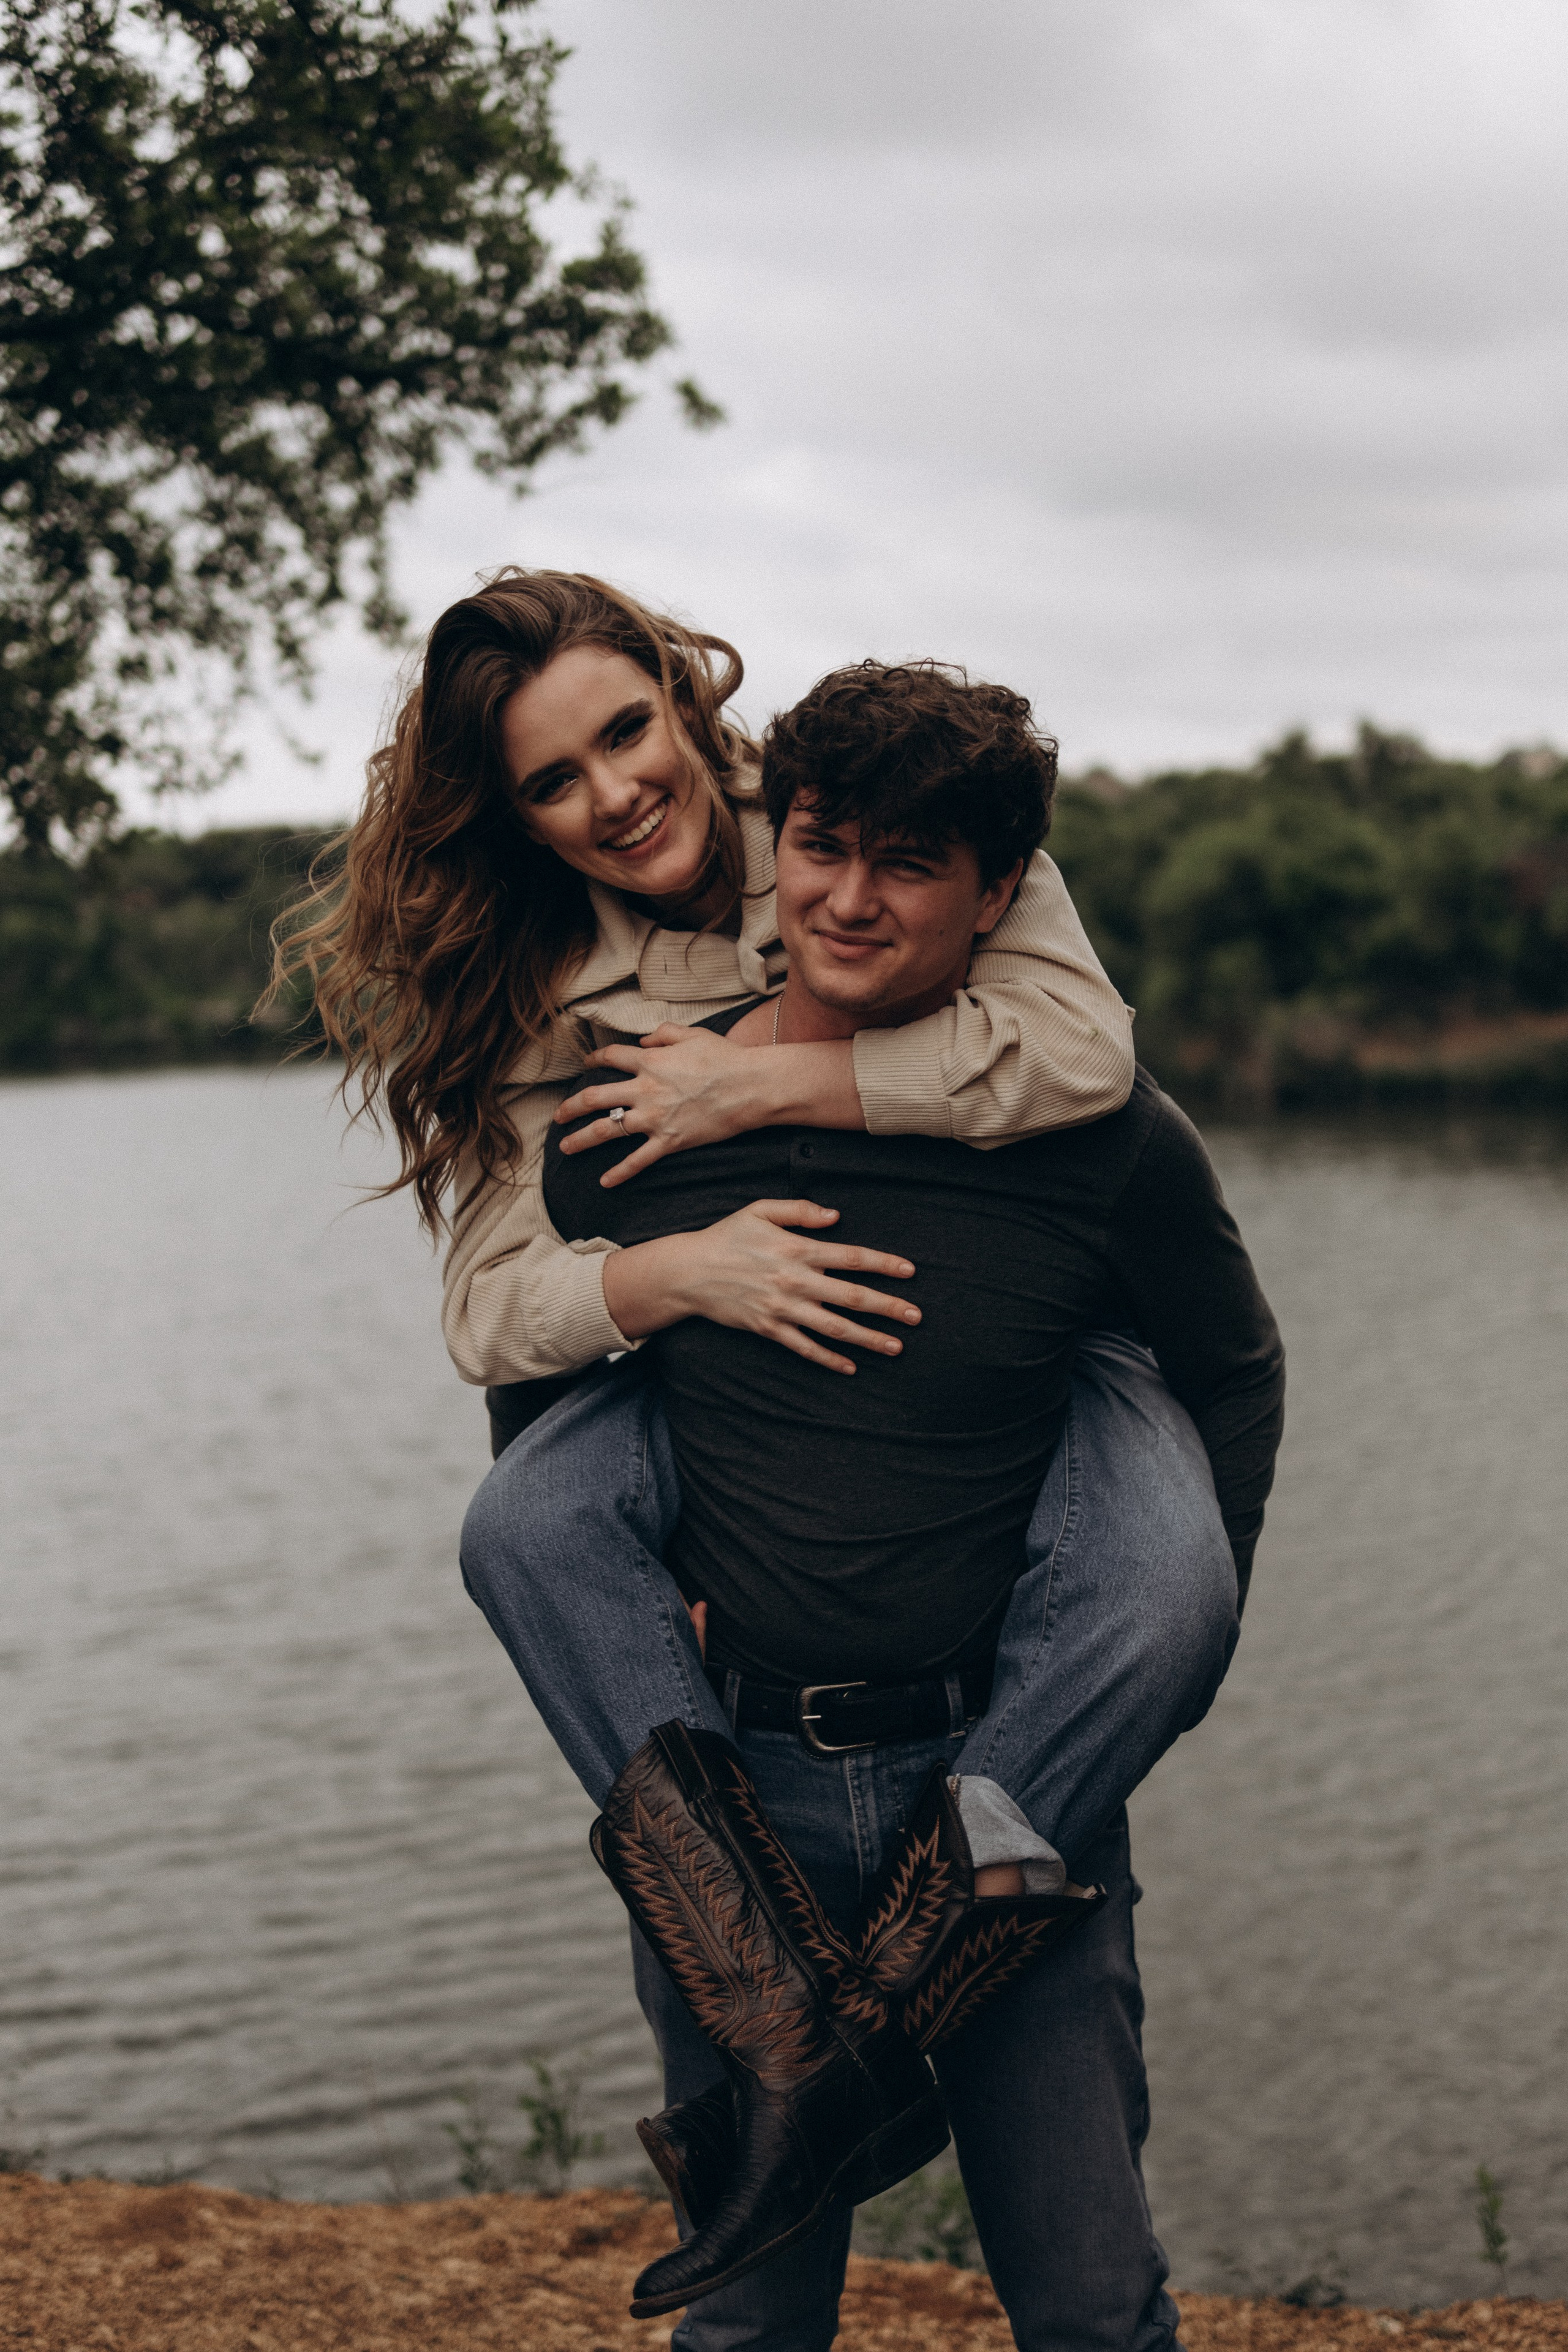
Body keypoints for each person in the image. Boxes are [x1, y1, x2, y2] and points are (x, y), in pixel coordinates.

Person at [461, 662, 1286, 2349]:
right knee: (750, 2331)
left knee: (1092, 2308)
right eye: (823, 848)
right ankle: (802, 2047)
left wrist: (1145, 1671)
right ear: (780, 845)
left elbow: (1234, 1373)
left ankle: (844, 2044)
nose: (847, 898)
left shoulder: (1097, 1132)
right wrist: (653, 1609)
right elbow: (544, 1398)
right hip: (736, 1816)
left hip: (1012, 1795)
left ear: (999, 894)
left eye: (911, 865)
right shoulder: (630, 1124)